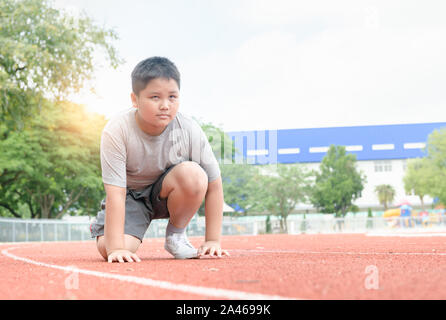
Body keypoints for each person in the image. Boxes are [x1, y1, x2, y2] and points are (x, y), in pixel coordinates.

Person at [90, 56, 230, 263]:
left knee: (194, 174)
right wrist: (116, 248)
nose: (165, 105)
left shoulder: (189, 129)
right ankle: (116, 228)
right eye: (155, 97)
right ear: (135, 99)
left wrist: (213, 240)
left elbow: (214, 186)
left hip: (167, 193)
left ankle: (176, 236)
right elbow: (116, 193)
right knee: (111, 250)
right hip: (131, 197)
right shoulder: (117, 130)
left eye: (172, 97)